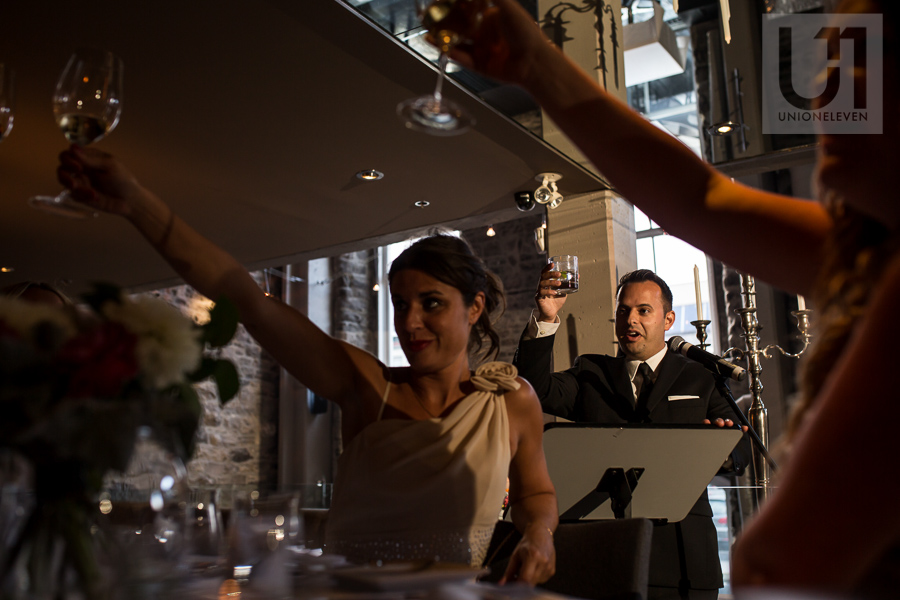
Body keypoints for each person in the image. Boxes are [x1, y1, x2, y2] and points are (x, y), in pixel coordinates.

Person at [457, 0, 900, 595]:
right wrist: (536, 64)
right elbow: (698, 200)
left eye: (862, 60)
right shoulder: (867, 256)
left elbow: (781, 560)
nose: (826, 90)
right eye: (829, 64)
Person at [53, 147, 558, 585]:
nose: (411, 322)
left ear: (473, 308)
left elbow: (536, 490)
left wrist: (539, 534)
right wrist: (136, 202)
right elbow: (245, 298)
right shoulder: (366, 386)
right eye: (400, 304)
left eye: (431, 303)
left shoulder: (512, 402)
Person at [514, 267, 750, 600]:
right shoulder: (591, 373)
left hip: (684, 558)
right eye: (623, 311)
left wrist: (720, 447)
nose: (630, 320)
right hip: (607, 554)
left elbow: (742, 449)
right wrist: (545, 316)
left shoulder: (700, 376)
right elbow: (533, 388)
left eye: (643, 310)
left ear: (668, 320)